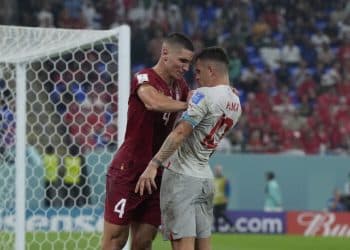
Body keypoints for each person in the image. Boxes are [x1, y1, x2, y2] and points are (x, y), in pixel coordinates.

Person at [135, 47, 242, 250]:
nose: (197, 79)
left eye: (199, 72)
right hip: (204, 178)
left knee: (182, 245)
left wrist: (154, 164)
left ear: (211, 71)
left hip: (181, 178)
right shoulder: (236, 102)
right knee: (204, 246)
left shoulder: (203, 95)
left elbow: (180, 133)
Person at [102, 33, 194, 250]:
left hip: (156, 172)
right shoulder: (143, 78)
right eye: (182, 61)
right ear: (164, 53)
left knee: (143, 241)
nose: (186, 68)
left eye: (189, 63)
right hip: (129, 169)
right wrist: (188, 106)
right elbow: (153, 102)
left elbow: (197, 98)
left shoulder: (181, 87)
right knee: (115, 240)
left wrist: (220, 92)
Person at [213, 164, 234, 233]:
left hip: (222, 200)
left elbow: (228, 189)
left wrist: (226, 198)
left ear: (221, 171)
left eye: (218, 170)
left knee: (221, 213)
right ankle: (217, 230)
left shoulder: (225, 179)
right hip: (215, 201)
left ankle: (231, 224)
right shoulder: (213, 179)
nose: (217, 171)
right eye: (216, 170)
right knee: (215, 215)